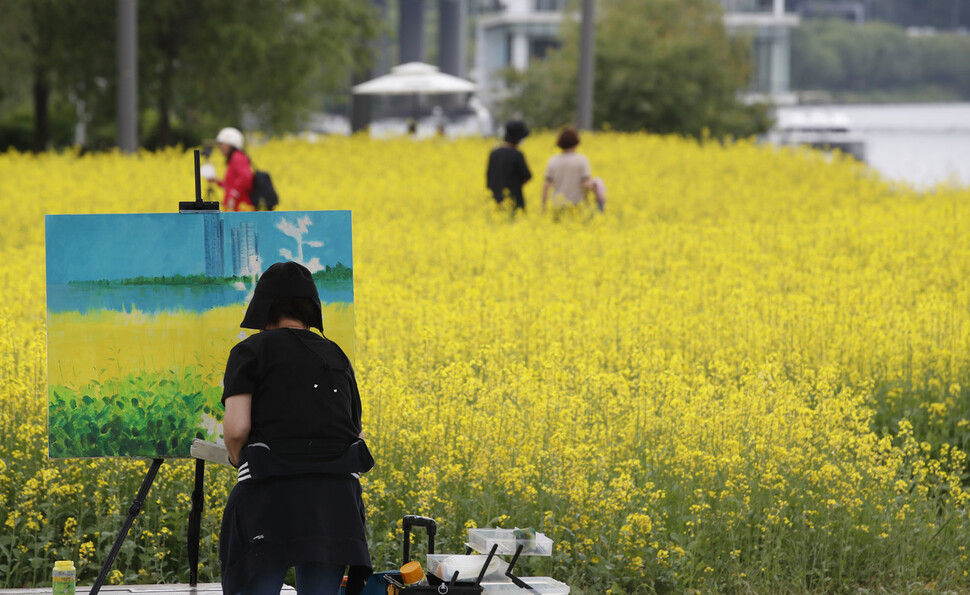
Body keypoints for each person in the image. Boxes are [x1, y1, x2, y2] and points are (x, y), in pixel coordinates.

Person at [220, 261, 373, 595]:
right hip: (335, 503)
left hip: (270, 496)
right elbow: (355, 434)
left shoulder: (249, 352)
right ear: (311, 312)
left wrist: (236, 459)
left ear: (262, 310)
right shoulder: (336, 355)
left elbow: (236, 429)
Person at [542, 126, 594, 214]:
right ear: (576, 141)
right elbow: (586, 185)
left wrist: (543, 207)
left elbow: (546, 185)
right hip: (577, 205)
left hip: (557, 205)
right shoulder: (582, 160)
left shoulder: (553, 160)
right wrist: (590, 200)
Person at [486, 120, 533, 212]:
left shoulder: (494, 153)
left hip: (495, 202)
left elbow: (489, 178)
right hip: (515, 201)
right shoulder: (517, 155)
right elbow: (527, 177)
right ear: (518, 138)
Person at [206, 127, 254, 211]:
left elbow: (246, 176)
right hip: (235, 208)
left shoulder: (237, 157)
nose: (219, 147)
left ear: (231, 144)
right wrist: (216, 181)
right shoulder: (233, 158)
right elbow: (230, 185)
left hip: (240, 207)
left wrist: (233, 196)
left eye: (222, 144)